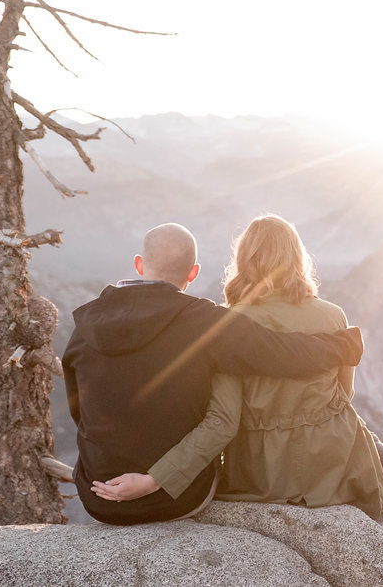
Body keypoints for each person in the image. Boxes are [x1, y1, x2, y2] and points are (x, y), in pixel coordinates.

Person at [92, 215, 383, 530]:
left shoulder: (229, 325)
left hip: (262, 474)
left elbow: (223, 421)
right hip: (334, 466)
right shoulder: (332, 315)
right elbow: (345, 394)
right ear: (297, 259)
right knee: (350, 417)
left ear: (244, 262)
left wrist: (159, 478)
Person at [62, 222, 364, 525]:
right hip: (175, 498)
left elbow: (80, 413)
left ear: (139, 265)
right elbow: (280, 352)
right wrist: (343, 344)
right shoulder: (204, 322)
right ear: (193, 273)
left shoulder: (85, 326)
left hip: (98, 495)